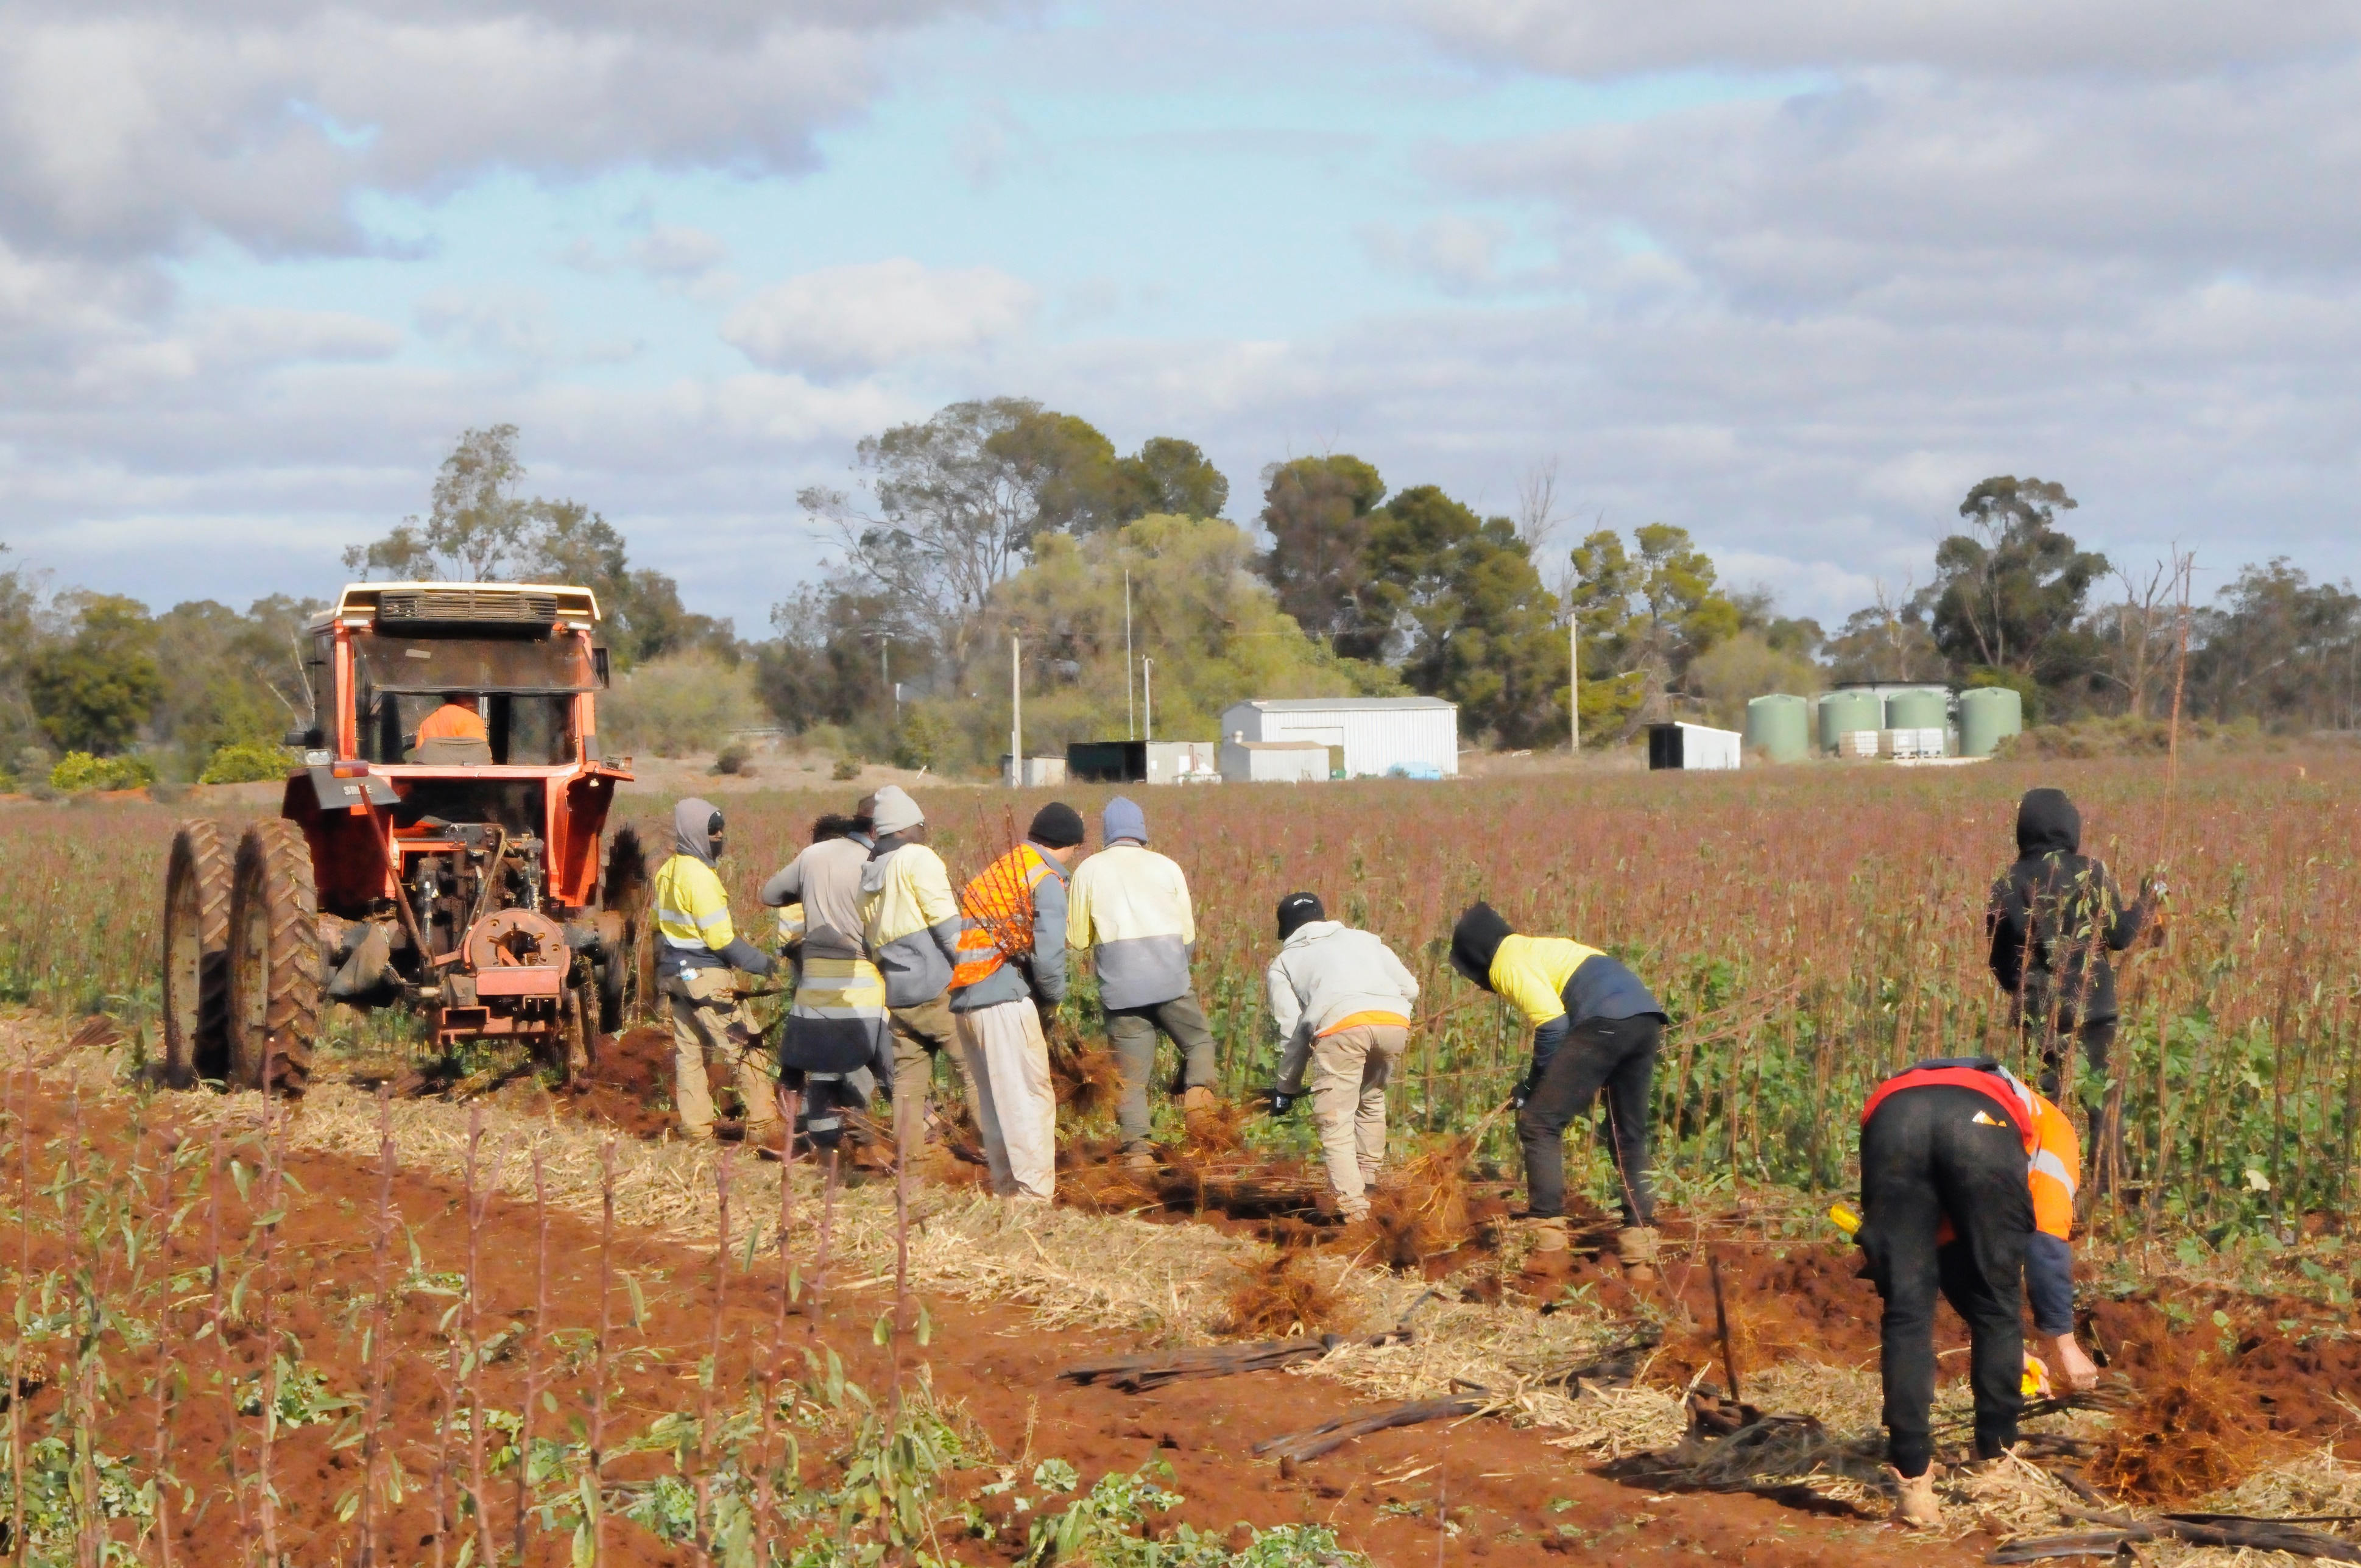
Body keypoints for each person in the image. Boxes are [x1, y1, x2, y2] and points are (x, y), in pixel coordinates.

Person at [1856, 1055, 2098, 1527]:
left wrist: (2013, 1354)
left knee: (1906, 1311)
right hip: (1977, 1126)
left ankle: (1912, 1486)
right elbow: (2046, 1245)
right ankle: (1995, 1464)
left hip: (1889, 1117)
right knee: (1999, 1307)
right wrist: (2063, 1344)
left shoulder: (1928, 1089)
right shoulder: (2056, 1130)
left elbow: (1943, 1246)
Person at [1449, 902, 1668, 1277]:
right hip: (1645, 1018)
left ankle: (1548, 1246)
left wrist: (1535, 1087)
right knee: (1626, 1134)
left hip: (1604, 1020)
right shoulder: (1539, 946)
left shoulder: (1505, 962)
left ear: (1475, 955)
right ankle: (1641, 1255)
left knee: (1539, 1123)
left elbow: (1552, 1025)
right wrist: (1539, 1082)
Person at [1986, 787, 2156, 1165]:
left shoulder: (2008, 881)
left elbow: (1999, 959)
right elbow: (2119, 936)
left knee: (2045, 1109)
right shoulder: (2091, 872)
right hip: (2096, 1012)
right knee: (2102, 1103)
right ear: (2069, 827)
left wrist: (2026, 992)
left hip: (2038, 1016)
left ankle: (2048, 1187)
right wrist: (2149, 899)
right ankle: (2107, 1190)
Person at [1066, 797, 1216, 1170]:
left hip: (1122, 990)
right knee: (1198, 1042)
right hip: (1171, 980)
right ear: (1141, 832)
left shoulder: (1089, 870)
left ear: (1107, 833)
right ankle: (1200, 1117)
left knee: (1131, 1081)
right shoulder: (1168, 867)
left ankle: (1137, 1155)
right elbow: (1188, 936)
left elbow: (1079, 939)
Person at [947, 802, 1087, 1200]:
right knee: (1029, 1099)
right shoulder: (1044, 878)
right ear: (1069, 845)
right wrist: (1052, 1001)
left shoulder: (1001, 870)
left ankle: (1008, 1194)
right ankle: (1033, 1199)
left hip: (968, 1001)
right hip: (1003, 1002)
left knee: (996, 1105)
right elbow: (1049, 958)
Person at [1265, 892, 1420, 1222]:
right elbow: (1411, 989)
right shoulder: (1366, 940)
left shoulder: (1284, 963)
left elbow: (1292, 1031)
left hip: (1343, 1027)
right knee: (1371, 1099)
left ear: (1287, 930)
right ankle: (1369, 1182)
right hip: (1394, 1023)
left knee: (1334, 1119)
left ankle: (1354, 1209)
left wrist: (1285, 1089)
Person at [652, 798, 782, 1143]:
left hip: (676, 975)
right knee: (745, 1048)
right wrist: (762, 964)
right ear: (697, 833)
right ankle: (766, 1129)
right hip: (706, 976)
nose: (719, 836)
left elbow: (656, 924)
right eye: (713, 831)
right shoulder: (700, 877)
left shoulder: (667, 871)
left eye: (720, 829)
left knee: (689, 1054)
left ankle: (695, 1131)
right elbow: (721, 938)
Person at [767, 807, 890, 1153]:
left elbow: (783, 929)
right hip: (863, 990)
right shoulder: (870, 867)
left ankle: (826, 1147)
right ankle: (871, 1139)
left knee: (820, 1070)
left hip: (813, 991)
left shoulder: (806, 875)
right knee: (880, 1067)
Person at [856, 786, 967, 1159]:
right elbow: (947, 925)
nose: (924, 830)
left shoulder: (870, 874)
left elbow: (870, 943)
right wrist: (973, 971)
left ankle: (912, 1166)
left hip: (899, 993)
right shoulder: (917, 858)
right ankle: (994, 1154)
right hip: (937, 989)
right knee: (975, 1069)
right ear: (905, 827)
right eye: (921, 824)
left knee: (908, 1081)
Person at [417, 691, 489, 743]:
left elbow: (420, 754)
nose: (477, 699)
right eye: (473, 694)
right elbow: (480, 755)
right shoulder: (472, 720)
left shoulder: (427, 722)